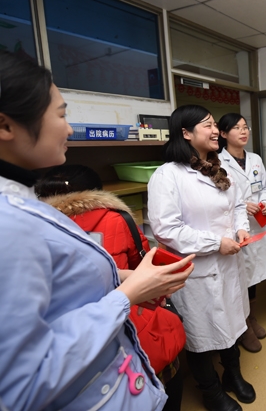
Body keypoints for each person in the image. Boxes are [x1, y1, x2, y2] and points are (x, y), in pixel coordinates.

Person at [0, 50, 194, 411]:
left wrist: (122, 278)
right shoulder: (9, 223)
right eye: (61, 115)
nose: (68, 129)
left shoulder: (25, 202)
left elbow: (58, 296)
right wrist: (127, 296)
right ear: (5, 126)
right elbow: (21, 385)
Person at [36, 164, 186, 411]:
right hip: (130, 319)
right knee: (160, 370)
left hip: (66, 346)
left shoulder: (35, 228)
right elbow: (143, 263)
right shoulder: (117, 219)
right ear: (98, 191)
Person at [148, 105, 254, 411]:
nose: (215, 131)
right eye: (207, 125)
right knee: (201, 332)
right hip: (197, 271)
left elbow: (237, 206)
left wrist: (241, 228)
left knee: (232, 320)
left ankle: (233, 374)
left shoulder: (218, 168)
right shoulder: (168, 175)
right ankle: (210, 392)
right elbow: (167, 229)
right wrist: (216, 243)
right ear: (186, 133)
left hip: (229, 263)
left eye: (214, 125)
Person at [218, 113, 266, 353]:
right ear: (223, 133)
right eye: (237, 128)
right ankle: (243, 325)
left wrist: (265, 203)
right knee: (239, 276)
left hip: (258, 224)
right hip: (235, 228)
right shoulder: (218, 162)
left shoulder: (255, 159)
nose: (243, 132)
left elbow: (263, 188)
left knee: (253, 274)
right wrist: (243, 205)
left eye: (245, 127)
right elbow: (220, 198)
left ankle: (250, 316)